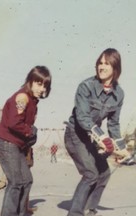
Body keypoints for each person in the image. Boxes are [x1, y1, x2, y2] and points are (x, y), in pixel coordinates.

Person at [64, 48, 127, 216]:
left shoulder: (119, 94)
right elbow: (83, 117)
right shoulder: (86, 86)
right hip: (75, 134)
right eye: (100, 63)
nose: (102, 66)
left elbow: (113, 124)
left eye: (107, 63)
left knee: (104, 172)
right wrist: (102, 137)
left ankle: (89, 209)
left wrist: (121, 149)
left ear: (115, 68)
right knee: (91, 174)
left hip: (92, 137)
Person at [0, 66, 52, 216]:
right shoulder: (23, 97)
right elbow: (14, 123)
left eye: (45, 85)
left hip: (16, 145)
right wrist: (30, 131)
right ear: (30, 81)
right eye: (39, 84)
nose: (42, 88)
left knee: (26, 180)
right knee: (15, 182)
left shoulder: (32, 100)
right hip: (7, 143)